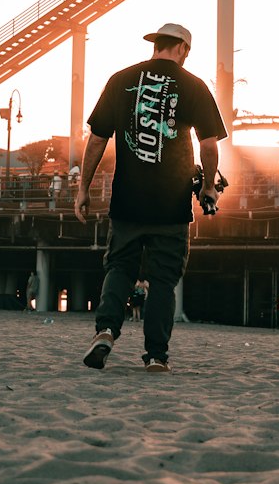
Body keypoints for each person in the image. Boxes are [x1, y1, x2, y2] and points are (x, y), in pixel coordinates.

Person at [74, 22, 227, 373]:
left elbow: (97, 139)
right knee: (162, 280)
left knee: (120, 267)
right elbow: (208, 145)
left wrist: (83, 188)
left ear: (155, 45)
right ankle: (156, 355)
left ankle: (105, 332)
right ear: (183, 50)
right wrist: (207, 188)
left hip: (127, 200)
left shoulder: (120, 79)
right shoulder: (194, 85)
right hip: (171, 206)